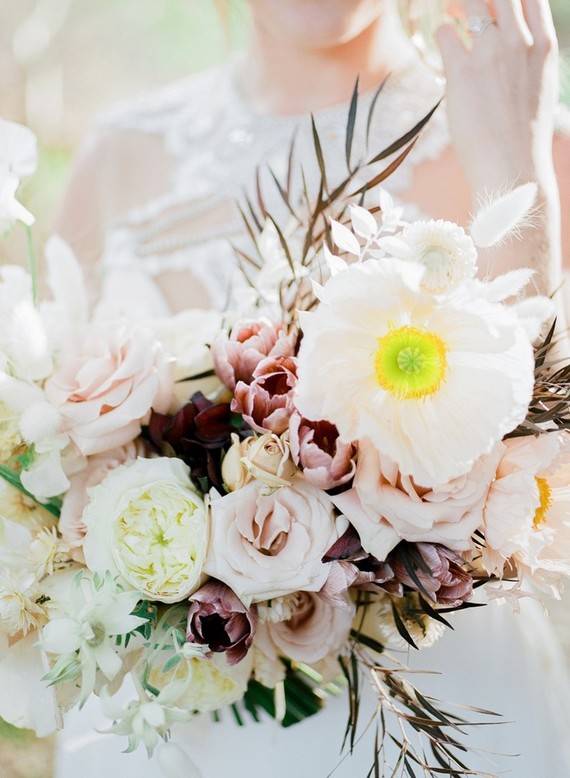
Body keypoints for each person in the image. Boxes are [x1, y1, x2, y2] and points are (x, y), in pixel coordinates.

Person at [53, 1, 570, 776]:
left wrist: (511, 156)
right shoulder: (119, 156)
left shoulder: (527, 133)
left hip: (442, 716)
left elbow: (548, 479)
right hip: (162, 735)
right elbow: (45, 469)